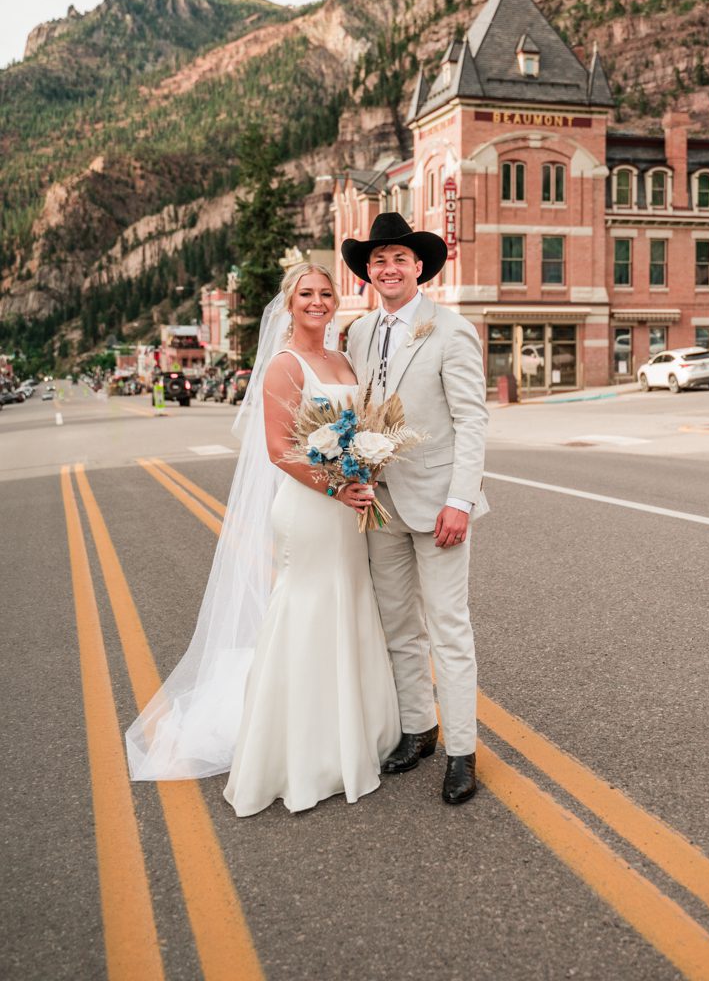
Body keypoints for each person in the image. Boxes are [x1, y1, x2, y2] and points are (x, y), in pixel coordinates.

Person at [127, 262, 400, 815]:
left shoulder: (343, 359)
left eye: (326, 293)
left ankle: (353, 730)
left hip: (347, 505)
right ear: (289, 303)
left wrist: (365, 468)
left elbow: (363, 427)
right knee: (305, 609)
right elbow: (281, 450)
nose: (318, 302)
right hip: (312, 508)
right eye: (307, 294)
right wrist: (338, 487)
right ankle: (297, 748)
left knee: (347, 604)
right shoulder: (285, 367)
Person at [342, 212, 489, 805]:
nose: (389, 268)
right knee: (399, 628)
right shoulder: (356, 334)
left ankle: (461, 751)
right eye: (378, 260)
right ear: (369, 272)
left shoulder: (450, 330)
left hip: (437, 506)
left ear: (419, 266)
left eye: (399, 258)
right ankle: (417, 729)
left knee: (449, 629)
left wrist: (460, 500)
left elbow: (472, 420)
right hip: (378, 505)